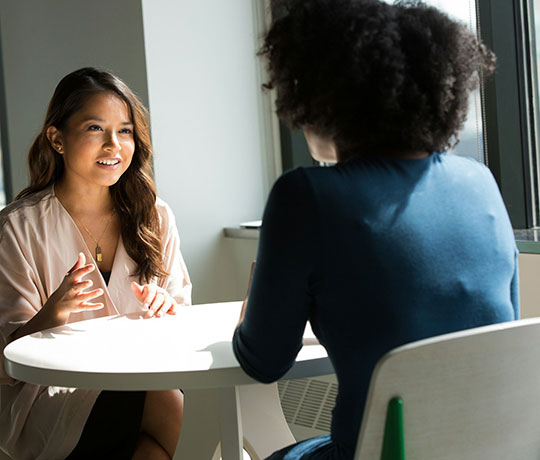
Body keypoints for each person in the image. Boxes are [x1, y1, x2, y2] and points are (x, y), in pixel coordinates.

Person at [232, 1, 519, 459]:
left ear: (324, 98)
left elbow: (263, 361)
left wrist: (253, 313)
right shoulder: (480, 184)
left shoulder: (305, 195)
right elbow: (497, 335)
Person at [0, 68, 192, 460]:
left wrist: (166, 308)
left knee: (159, 417)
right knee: (163, 402)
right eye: (94, 128)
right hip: (49, 400)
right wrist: (50, 317)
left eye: (125, 131)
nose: (114, 146)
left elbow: (183, 325)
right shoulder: (17, 228)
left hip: (145, 383)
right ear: (57, 139)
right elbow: (5, 364)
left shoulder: (156, 217)